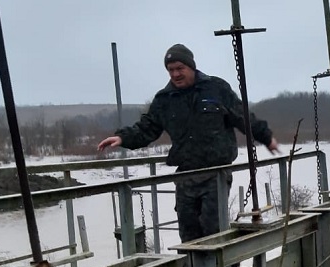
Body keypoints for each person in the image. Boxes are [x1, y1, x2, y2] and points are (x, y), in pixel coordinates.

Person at [97, 43, 279, 242]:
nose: (175, 74)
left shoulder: (215, 89)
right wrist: (123, 137)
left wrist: (266, 137)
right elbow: (147, 128)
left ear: (191, 67)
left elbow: (242, 117)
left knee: (214, 231)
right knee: (188, 233)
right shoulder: (164, 100)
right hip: (186, 175)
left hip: (215, 172)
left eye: (179, 68)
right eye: (170, 70)